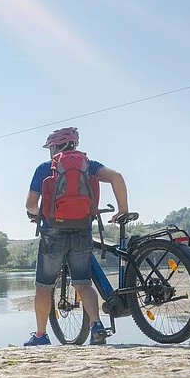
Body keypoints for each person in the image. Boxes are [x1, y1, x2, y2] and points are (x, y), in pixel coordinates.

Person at [25, 127, 129, 346]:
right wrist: (122, 209)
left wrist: (36, 214)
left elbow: (31, 204)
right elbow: (116, 177)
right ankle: (97, 326)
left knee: (43, 286)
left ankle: (41, 336)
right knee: (83, 282)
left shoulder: (45, 168)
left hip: (52, 232)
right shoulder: (89, 165)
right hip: (82, 229)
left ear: (55, 146)